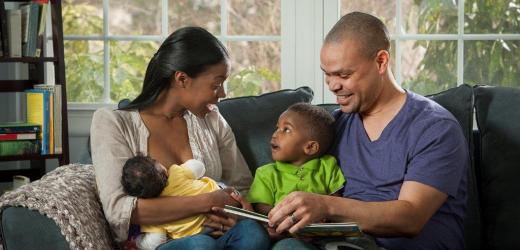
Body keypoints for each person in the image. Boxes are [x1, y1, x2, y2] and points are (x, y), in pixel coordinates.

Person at [268, 12, 468, 250]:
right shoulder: (333, 127)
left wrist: (326, 206)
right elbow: (301, 181)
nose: (333, 85)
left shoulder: (435, 128)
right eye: (327, 74)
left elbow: (411, 217)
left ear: (381, 62)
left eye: (344, 74)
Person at [90, 26, 269, 250]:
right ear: (182, 79)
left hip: (218, 236)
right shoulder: (113, 123)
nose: (222, 93)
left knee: (252, 234)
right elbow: (120, 210)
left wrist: (237, 216)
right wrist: (208, 202)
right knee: (200, 246)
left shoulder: (212, 119)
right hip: (165, 241)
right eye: (216, 84)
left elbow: (241, 187)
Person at [246, 103, 345, 239]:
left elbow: (336, 199)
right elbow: (261, 207)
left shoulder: (327, 165)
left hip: (322, 233)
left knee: (358, 239)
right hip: (286, 234)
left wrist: (326, 217)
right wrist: (283, 219)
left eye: (286, 130)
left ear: (310, 147)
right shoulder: (266, 173)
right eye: (277, 128)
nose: (275, 134)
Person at [121, 156, 225, 249]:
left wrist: (138, 242)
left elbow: (156, 242)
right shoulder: (176, 172)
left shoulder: (153, 213)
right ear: (162, 170)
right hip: (221, 201)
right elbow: (200, 167)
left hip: (199, 232)